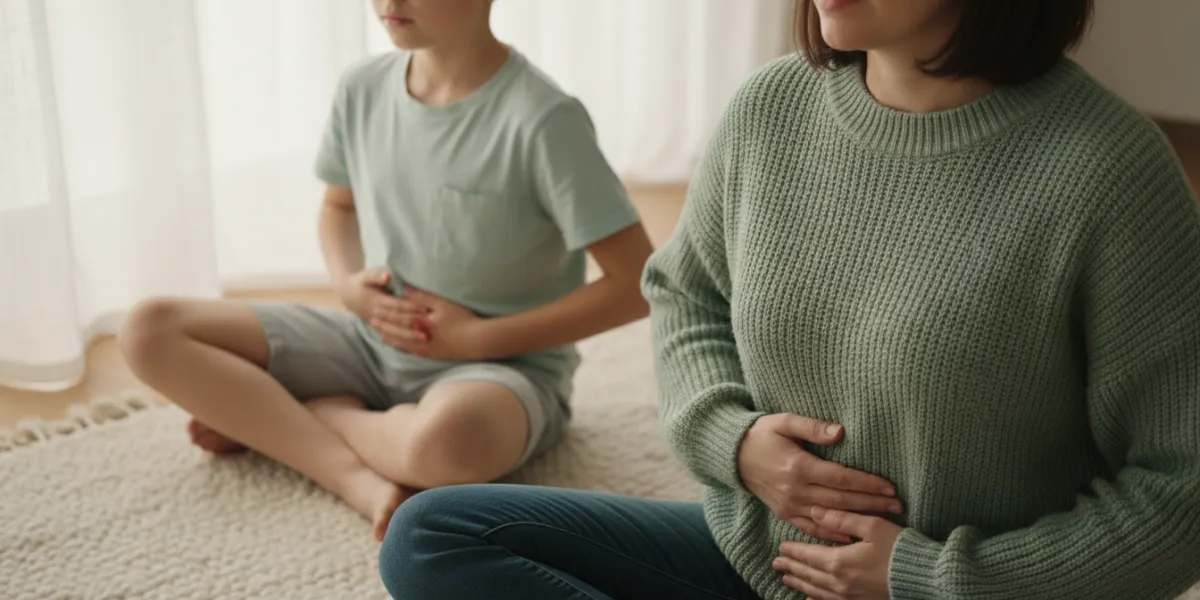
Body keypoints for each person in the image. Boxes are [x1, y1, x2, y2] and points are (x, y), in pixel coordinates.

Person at [377, 0, 1200, 598]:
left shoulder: (1108, 173)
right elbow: (685, 297)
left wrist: (935, 580)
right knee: (434, 538)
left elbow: (1180, 494)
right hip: (766, 562)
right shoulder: (770, 109)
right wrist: (732, 444)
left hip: (968, 592)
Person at [118, 0, 652, 542]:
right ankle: (356, 477)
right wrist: (349, 286)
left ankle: (293, 422)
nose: (388, 3)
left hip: (499, 374)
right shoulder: (362, 87)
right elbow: (338, 208)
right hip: (370, 339)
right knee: (148, 329)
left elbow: (636, 285)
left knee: (450, 443)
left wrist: (475, 338)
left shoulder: (544, 119)